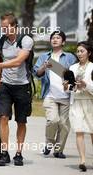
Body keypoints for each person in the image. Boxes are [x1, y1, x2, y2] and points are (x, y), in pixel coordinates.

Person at [0, 13, 34, 166]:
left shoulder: (26, 40)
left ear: (15, 27)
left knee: (21, 121)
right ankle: (4, 153)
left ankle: (19, 154)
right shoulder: (0, 41)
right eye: (2, 27)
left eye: (6, 27)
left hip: (22, 86)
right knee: (3, 118)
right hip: (5, 85)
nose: (3, 30)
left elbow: (18, 62)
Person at [33, 31, 77, 159]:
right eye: (53, 38)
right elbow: (37, 73)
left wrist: (69, 81)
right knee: (53, 120)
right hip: (50, 95)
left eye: (58, 38)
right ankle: (49, 144)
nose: (55, 40)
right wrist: (44, 66)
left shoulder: (70, 57)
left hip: (66, 96)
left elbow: (73, 75)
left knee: (64, 125)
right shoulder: (44, 57)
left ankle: (58, 150)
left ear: (63, 42)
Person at [63, 41, 93, 172]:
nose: (79, 53)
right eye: (78, 51)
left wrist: (85, 85)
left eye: (82, 51)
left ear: (89, 53)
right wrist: (67, 86)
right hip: (76, 103)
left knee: (92, 132)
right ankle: (82, 160)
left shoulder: (92, 67)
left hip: (90, 102)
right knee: (79, 131)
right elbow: (70, 88)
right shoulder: (72, 68)